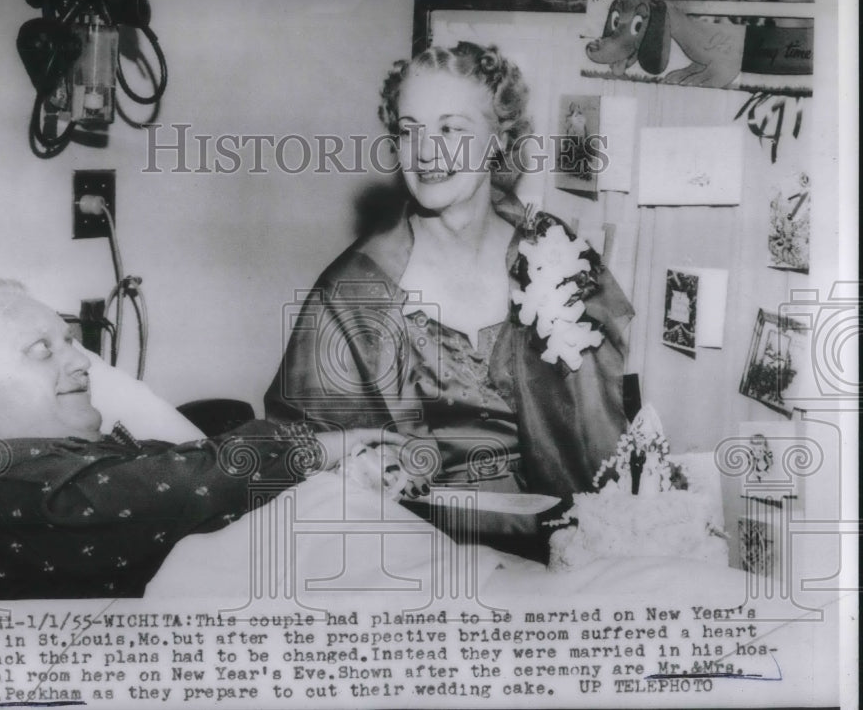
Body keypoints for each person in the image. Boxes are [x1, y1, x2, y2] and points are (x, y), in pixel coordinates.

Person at [265, 42, 634, 559]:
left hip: (568, 544)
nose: (425, 152)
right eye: (409, 129)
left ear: (499, 139)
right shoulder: (352, 292)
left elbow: (603, 438)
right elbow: (298, 453)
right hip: (413, 555)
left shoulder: (558, 255)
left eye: (451, 129)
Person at [0, 279, 405, 599]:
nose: (82, 361)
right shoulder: (3, 487)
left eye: (71, 342)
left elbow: (173, 474)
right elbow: (186, 485)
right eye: (42, 350)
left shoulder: (55, 466)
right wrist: (313, 446)